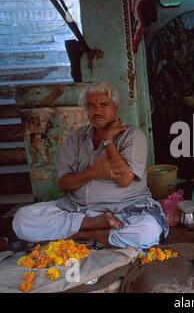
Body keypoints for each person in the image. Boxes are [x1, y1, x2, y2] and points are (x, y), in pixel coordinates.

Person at [13, 82, 168, 249]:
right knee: (22, 220)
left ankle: (84, 234)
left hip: (127, 209)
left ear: (116, 108)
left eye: (103, 105)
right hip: (79, 210)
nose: (97, 110)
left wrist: (108, 139)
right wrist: (93, 172)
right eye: (91, 106)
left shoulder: (133, 135)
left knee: (146, 232)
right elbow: (64, 183)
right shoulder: (76, 137)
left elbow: (124, 179)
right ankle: (97, 225)